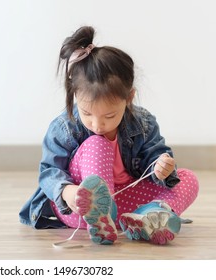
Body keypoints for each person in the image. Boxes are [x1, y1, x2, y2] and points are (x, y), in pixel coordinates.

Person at [19, 26, 199, 245]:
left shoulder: (143, 123)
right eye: (87, 113)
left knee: (188, 178)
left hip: (125, 200)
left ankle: (148, 216)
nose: (97, 124)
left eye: (109, 115)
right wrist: (69, 193)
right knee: (96, 143)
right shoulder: (64, 127)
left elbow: (155, 159)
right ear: (75, 94)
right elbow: (49, 173)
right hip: (79, 208)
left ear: (129, 98)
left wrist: (162, 167)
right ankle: (101, 213)